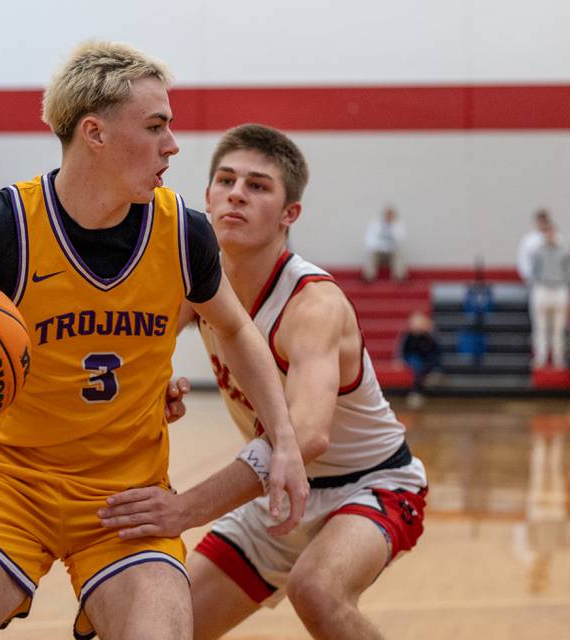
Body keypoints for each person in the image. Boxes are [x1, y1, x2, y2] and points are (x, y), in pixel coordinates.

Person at [0, 42, 307, 640]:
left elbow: (237, 329)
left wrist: (284, 440)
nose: (172, 144)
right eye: (155, 126)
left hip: (127, 497)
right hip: (10, 484)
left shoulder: (182, 232)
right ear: (95, 133)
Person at [100, 124, 428, 640]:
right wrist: (154, 387)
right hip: (276, 493)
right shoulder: (197, 281)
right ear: (207, 196)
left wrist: (185, 509)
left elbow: (305, 437)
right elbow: (131, 353)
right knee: (161, 625)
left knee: (316, 589)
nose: (237, 194)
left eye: (257, 186)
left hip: (369, 485)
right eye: (226, 180)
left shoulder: (313, 305)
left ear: (289, 214)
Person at [529, 227, 570, 368]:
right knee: (540, 327)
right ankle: (541, 357)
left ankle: (558, 358)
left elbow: (567, 272)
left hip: (559, 289)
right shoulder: (538, 252)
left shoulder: (563, 252)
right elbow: (533, 272)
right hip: (542, 289)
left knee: (559, 328)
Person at [398, 311, 441, 408]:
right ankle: (417, 392)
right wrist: (400, 359)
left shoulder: (429, 336)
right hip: (413, 360)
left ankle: (419, 391)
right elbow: (402, 350)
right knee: (417, 366)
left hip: (426, 361)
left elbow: (435, 353)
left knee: (425, 366)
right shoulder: (408, 336)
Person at [517, 208, 566, 283]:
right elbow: (523, 258)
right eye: (540, 221)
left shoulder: (558, 238)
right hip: (536, 279)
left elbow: (564, 260)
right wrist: (527, 275)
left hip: (558, 279)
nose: (542, 223)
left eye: (544, 220)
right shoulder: (529, 240)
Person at [363, 206, 406, 282]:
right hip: (378, 250)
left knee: (399, 253)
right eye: (387, 214)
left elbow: (400, 240)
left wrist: (391, 228)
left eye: (391, 215)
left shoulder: (398, 226)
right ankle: (368, 277)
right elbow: (370, 240)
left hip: (392, 251)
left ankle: (399, 277)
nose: (389, 217)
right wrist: (381, 246)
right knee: (371, 254)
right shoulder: (375, 224)